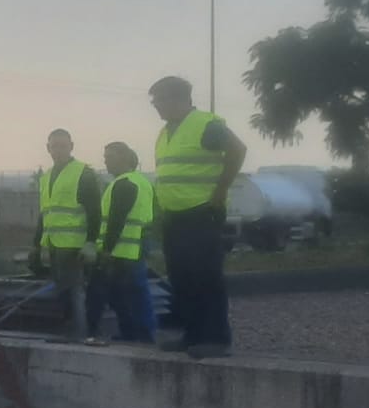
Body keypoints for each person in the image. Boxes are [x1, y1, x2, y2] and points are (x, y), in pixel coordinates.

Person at [149, 76, 246, 358]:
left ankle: (216, 338)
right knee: (182, 277)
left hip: (201, 212)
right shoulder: (166, 132)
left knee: (205, 275)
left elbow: (238, 150)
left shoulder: (205, 124)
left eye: (159, 100)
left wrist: (220, 192)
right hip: (174, 215)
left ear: (177, 99)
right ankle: (192, 335)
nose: (156, 106)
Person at [31, 129, 101, 342]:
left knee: (75, 291)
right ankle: (68, 331)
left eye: (63, 145)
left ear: (71, 146)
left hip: (73, 245)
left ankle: (79, 334)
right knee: (62, 290)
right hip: (53, 243)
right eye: (54, 146)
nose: (58, 150)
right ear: (48, 148)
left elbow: (94, 211)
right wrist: (36, 244)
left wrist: (90, 242)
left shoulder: (83, 173)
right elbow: (45, 213)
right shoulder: (46, 177)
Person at [89, 142, 157, 344]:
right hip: (135, 244)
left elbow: (116, 219)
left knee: (132, 293)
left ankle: (142, 334)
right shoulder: (141, 181)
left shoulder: (124, 183)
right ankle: (134, 332)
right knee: (125, 293)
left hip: (124, 249)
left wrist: (107, 250)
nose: (106, 161)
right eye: (105, 156)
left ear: (125, 158)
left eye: (110, 156)